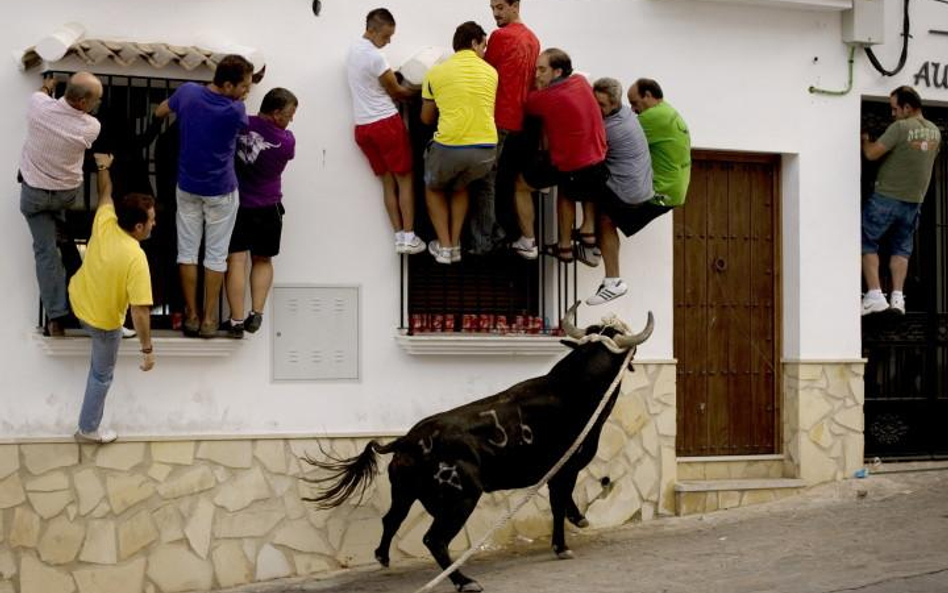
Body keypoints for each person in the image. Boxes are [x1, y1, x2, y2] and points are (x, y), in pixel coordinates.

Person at [154, 54, 253, 338]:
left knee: (186, 253)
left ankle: (191, 315)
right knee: (216, 256)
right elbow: (243, 128)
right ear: (227, 84)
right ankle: (210, 318)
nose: (246, 91)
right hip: (221, 190)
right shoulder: (236, 110)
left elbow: (160, 111)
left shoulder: (187, 93)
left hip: (187, 187)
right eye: (244, 86)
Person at [69, 153, 156, 443]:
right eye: (152, 220)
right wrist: (147, 350)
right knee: (102, 375)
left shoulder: (106, 221)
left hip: (79, 302)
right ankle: (88, 429)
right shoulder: (136, 257)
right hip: (103, 324)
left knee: (116, 320)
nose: (155, 224)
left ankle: (118, 326)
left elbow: (105, 191)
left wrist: (103, 166)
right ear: (139, 227)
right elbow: (140, 312)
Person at [19, 72, 102, 337]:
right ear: (81, 102)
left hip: (35, 196)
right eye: (95, 100)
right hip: (65, 195)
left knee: (45, 253)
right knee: (66, 244)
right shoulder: (90, 127)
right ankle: (65, 240)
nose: (97, 104)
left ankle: (55, 317)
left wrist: (46, 85)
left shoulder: (37, 106)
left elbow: (41, 95)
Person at [519, 49, 608, 268]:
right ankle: (581, 235)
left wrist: (536, 88)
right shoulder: (580, 81)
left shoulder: (546, 97)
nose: (537, 75)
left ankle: (528, 241)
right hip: (598, 158)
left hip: (572, 164)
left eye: (542, 69)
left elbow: (526, 104)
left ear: (557, 71)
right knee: (572, 187)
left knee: (520, 186)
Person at [347, 8, 425, 256]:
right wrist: (422, 91)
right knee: (405, 179)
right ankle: (410, 235)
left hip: (363, 127)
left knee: (387, 183)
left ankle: (399, 237)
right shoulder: (376, 58)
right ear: (372, 30)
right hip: (385, 124)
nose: (389, 41)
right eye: (386, 36)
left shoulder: (352, 51)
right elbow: (397, 92)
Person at [466, 0, 540, 256]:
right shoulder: (533, 39)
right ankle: (501, 231)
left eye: (499, 7)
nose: (495, 13)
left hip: (496, 118)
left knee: (484, 181)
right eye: (493, 8)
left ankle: (482, 241)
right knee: (506, 180)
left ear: (515, 5)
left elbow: (483, 71)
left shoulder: (500, 36)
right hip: (521, 120)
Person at [223, 88, 298, 338]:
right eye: (289, 114)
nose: (291, 120)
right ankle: (256, 312)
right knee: (263, 259)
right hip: (268, 206)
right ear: (276, 113)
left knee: (235, 260)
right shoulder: (286, 141)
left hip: (237, 204)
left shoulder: (240, 125)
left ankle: (235, 320)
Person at [421, 21, 498, 264]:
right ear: (474, 42)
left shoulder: (435, 72)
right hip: (487, 149)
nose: (484, 51)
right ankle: (455, 244)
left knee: (433, 187)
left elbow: (426, 118)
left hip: (451, 147)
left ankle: (445, 247)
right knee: (460, 186)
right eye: (483, 45)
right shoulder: (491, 72)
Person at [860, 86, 941, 315]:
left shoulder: (901, 127)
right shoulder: (936, 132)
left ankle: (875, 294)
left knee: (866, 239)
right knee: (901, 249)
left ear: (907, 107)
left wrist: (865, 140)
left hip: (886, 197)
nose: (893, 114)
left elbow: (872, 154)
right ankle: (897, 298)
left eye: (895, 109)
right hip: (914, 202)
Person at [585, 77, 655, 305]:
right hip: (639, 187)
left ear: (614, 104)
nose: (597, 109)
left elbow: (587, 151)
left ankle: (612, 279)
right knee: (605, 216)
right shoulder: (625, 113)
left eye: (602, 106)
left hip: (628, 191)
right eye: (594, 103)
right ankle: (594, 246)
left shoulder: (612, 128)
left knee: (581, 178)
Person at [627, 78, 691, 210]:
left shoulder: (653, 117)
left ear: (648, 95)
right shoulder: (667, 110)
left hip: (660, 192)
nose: (633, 110)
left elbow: (619, 142)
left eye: (634, 103)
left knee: (606, 217)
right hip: (675, 190)